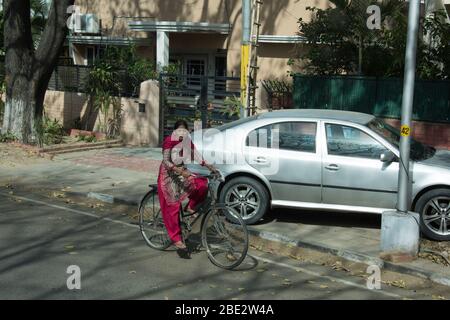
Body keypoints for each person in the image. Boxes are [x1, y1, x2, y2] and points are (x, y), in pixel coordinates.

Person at [157, 120, 217, 257]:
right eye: (180, 130)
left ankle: (191, 206)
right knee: (173, 205)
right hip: (168, 175)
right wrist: (179, 171)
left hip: (182, 172)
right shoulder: (168, 141)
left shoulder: (187, 141)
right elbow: (166, 162)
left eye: (185, 131)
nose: (182, 133)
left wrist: (208, 166)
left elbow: (196, 155)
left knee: (202, 184)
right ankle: (176, 239)